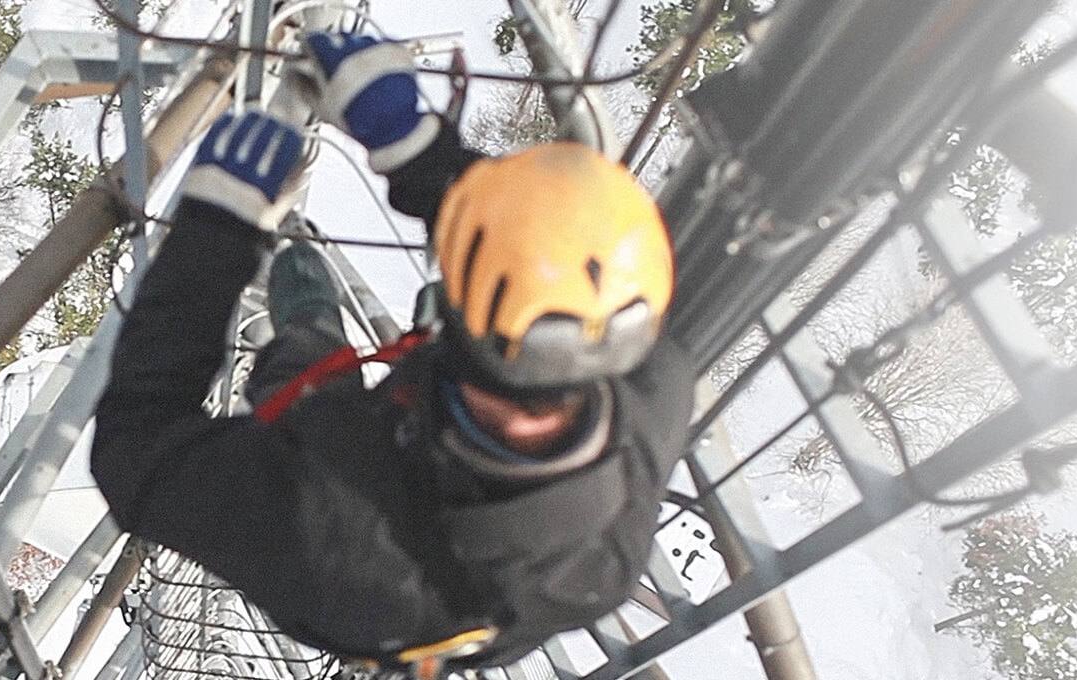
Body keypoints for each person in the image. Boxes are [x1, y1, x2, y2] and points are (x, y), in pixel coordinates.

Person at [90, 31, 695, 674]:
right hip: (451, 531)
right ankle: (304, 317)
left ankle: (304, 318)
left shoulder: (321, 524)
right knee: (307, 368)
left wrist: (213, 237)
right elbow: (537, 282)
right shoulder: (652, 384)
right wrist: (418, 151)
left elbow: (137, 454)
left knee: (299, 371)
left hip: (369, 568)